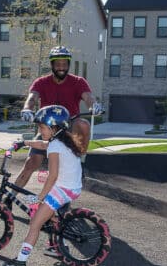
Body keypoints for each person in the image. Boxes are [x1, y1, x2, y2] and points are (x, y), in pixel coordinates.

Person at [1, 105, 86, 266]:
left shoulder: (55, 146)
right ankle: (57, 246)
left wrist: (40, 197)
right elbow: (42, 143)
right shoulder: (62, 140)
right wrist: (23, 143)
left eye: (41, 127)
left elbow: (53, 176)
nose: (39, 130)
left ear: (53, 127)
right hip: (72, 187)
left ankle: (20, 264)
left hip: (62, 189)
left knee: (35, 225)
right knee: (48, 216)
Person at [14, 45, 102, 197]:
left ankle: (80, 158)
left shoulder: (78, 82)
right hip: (48, 129)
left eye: (65, 63)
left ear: (68, 64)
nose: (61, 67)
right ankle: (10, 198)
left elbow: (88, 97)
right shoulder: (41, 82)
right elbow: (32, 98)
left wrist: (94, 105)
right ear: (52, 65)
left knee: (84, 124)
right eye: (58, 64)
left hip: (69, 129)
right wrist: (27, 108)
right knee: (30, 164)